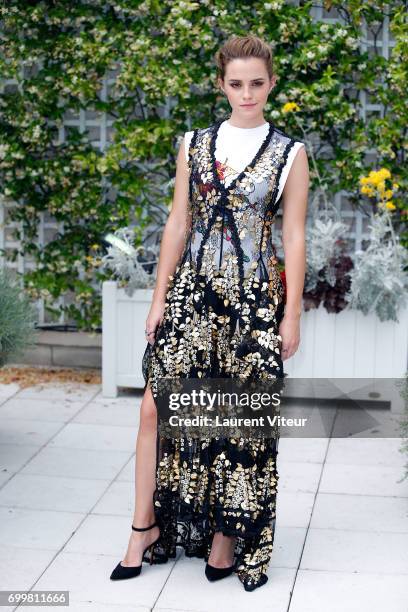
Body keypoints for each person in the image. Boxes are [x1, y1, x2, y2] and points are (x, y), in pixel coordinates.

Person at [110, 34, 309, 591]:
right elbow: (178, 224)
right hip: (192, 295)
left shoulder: (289, 153)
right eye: (236, 83)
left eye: (257, 83)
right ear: (222, 85)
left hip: (251, 302)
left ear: (271, 84)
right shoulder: (195, 144)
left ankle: (226, 538)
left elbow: (293, 237)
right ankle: (142, 528)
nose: (247, 93)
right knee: (154, 410)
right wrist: (158, 297)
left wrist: (292, 312)